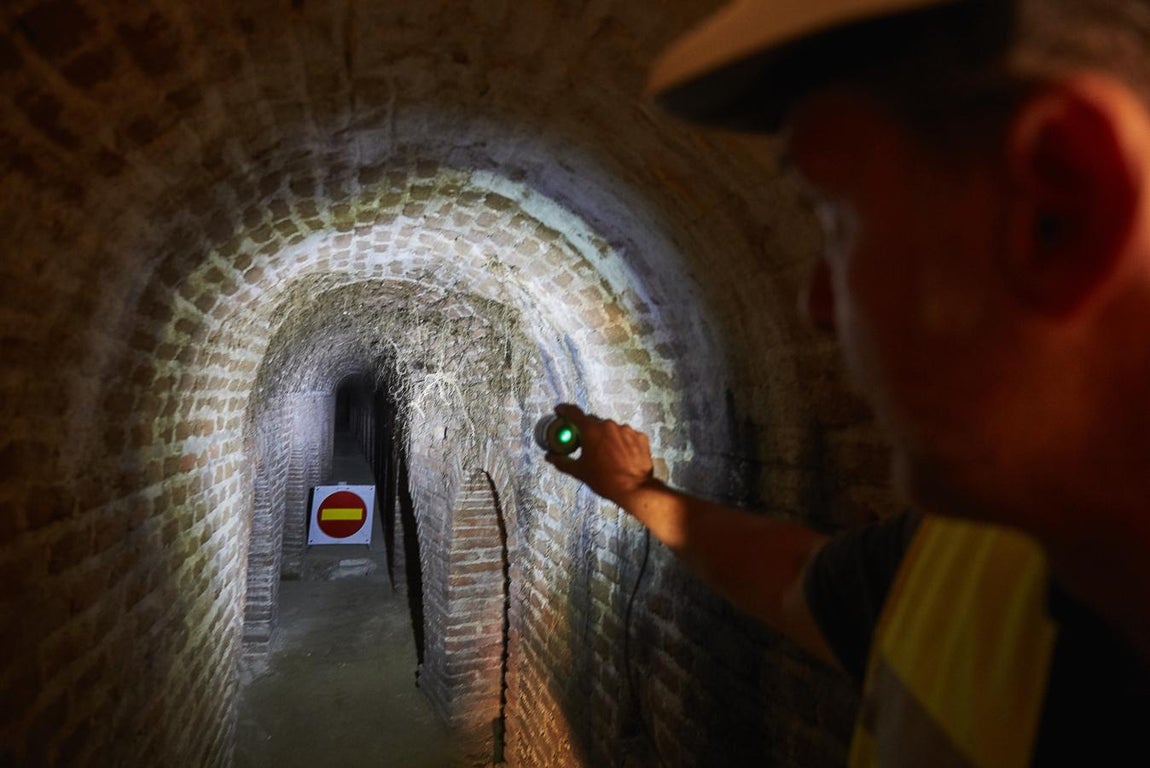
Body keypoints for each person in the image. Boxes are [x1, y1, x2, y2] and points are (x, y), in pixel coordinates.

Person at [544, 0, 1150, 765]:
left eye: (835, 216)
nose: (817, 304)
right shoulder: (978, 548)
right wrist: (633, 490)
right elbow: (801, 581)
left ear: (1062, 201)